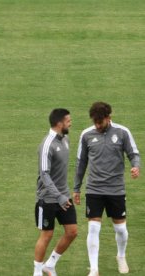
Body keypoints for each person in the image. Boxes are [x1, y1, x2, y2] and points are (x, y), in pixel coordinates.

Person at [73, 102, 140, 276]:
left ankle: (121, 256)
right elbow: (81, 163)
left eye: (100, 122)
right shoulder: (86, 135)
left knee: (121, 230)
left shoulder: (122, 132)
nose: (97, 125)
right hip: (94, 189)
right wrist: (77, 188)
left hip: (116, 189)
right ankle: (94, 269)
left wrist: (135, 166)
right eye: (95, 122)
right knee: (93, 228)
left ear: (109, 118)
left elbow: (133, 154)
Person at [33, 109, 77, 276]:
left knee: (72, 231)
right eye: (68, 121)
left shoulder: (65, 139)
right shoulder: (47, 144)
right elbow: (44, 175)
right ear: (60, 123)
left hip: (63, 196)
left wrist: (64, 195)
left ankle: (50, 264)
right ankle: (37, 272)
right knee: (47, 235)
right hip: (48, 199)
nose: (70, 123)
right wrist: (58, 196)